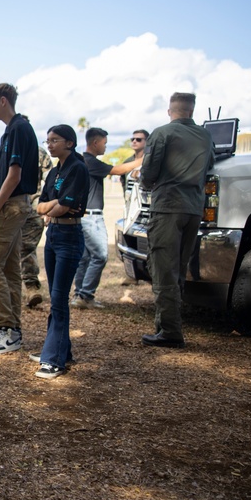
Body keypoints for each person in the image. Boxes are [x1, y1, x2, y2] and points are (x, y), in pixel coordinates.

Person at [139, 92, 215, 347]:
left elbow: (149, 172)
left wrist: (148, 183)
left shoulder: (162, 133)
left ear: (170, 110)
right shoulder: (205, 135)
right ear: (192, 111)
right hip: (193, 209)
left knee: (163, 270)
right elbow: (210, 165)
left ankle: (170, 332)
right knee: (179, 269)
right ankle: (168, 324)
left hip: (168, 207)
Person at [0, 83, 40, 354]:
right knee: (10, 269)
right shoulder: (13, 130)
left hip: (11, 206)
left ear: (3, 101)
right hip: (14, 205)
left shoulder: (17, 128)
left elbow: (13, 176)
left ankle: (7, 328)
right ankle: (12, 328)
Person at [30, 124, 89, 379]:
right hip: (53, 235)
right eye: (48, 140)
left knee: (58, 298)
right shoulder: (55, 171)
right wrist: (53, 205)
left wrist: (53, 206)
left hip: (69, 236)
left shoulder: (78, 168)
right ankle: (59, 350)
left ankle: (53, 359)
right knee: (56, 299)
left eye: (55, 140)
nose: (50, 144)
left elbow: (65, 207)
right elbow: (40, 206)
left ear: (70, 143)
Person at [70, 127, 144, 309]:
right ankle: (85, 294)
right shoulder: (90, 161)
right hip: (91, 218)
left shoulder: (82, 160)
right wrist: (142, 160)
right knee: (101, 256)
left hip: (84, 217)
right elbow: (118, 170)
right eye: (104, 143)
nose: (105, 147)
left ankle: (80, 294)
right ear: (95, 143)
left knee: (85, 258)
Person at [19, 145, 53, 308]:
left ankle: (31, 287)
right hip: (8, 208)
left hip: (33, 207)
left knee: (26, 247)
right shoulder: (2, 151)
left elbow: (50, 179)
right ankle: (7, 290)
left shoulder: (39, 152)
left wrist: (48, 208)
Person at [120, 129, 149, 286]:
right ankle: (131, 274)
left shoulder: (151, 161)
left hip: (146, 208)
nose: (134, 142)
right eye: (133, 139)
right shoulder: (127, 162)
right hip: (130, 207)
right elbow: (123, 182)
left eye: (139, 139)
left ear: (147, 142)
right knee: (128, 239)